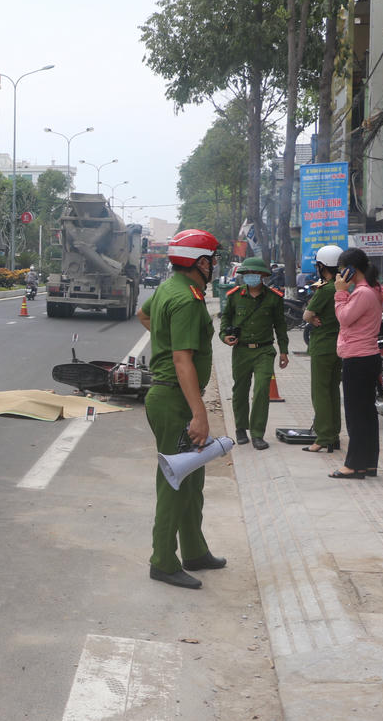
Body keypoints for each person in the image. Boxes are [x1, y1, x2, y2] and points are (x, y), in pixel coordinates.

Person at [137, 228, 224, 590]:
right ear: (200, 263)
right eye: (213, 259)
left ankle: (194, 550)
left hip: (172, 396)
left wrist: (165, 337)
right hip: (175, 399)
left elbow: (143, 315)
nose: (216, 265)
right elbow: (181, 359)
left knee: (191, 477)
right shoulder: (186, 299)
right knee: (174, 480)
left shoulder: (169, 288)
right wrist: (199, 413)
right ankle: (162, 561)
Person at [218, 256, 290, 450]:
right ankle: (241, 428)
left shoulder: (274, 297)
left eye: (254, 273)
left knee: (261, 390)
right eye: (247, 273)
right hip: (241, 351)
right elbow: (225, 319)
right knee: (240, 390)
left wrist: (284, 351)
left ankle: (258, 433)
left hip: (264, 350)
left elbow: (280, 325)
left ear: (262, 275)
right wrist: (224, 336)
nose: (251, 276)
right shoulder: (234, 296)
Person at [330, 247, 383, 479]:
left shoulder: (362, 293)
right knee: (366, 413)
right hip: (366, 357)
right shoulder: (372, 289)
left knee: (356, 415)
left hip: (358, 358)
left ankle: (354, 465)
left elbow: (344, 318)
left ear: (351, 270)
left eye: (342, 269)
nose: (340, 274)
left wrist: (340, 293)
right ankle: (368, 464)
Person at [302, 245, 344, 453]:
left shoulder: (326, 289)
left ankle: (323, 437)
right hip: (340, 345)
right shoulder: (344, 287)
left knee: (320, 392)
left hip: (323, 347)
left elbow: (307, 315)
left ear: (321, 266)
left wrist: (312, 318)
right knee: (333, 391)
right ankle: (334, 435)